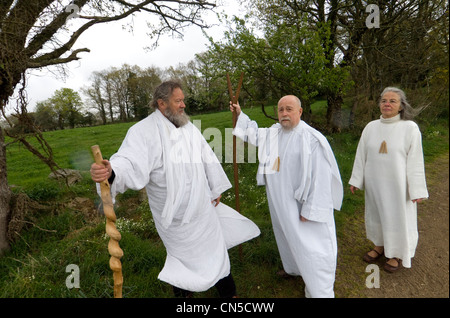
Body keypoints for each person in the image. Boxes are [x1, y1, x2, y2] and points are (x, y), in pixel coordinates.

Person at [90, 80, 260, 297]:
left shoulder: (187, 126)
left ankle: (229, 295)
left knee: (215, 252)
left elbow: (206, 156)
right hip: (175, 218)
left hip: (202, 208)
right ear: (161, 103)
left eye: (183, 101)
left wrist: (215, 188)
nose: (183, 106)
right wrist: (111, 173)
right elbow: (129, 161)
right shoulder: (143, 132)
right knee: (182, 260)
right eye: (178, 101)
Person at [230, 95, 343, 298]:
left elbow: (322, 180)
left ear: (300, 112)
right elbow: (254, 134)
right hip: (280, 202)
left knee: (313, 246)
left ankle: (320, 290)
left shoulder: (312, 139)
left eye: (289, 109)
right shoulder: (275, 133)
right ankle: (294, 268)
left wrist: (311, 210)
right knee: (285, 235)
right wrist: (240, 114)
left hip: (303, 207)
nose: (283, 114)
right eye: (280, 110)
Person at [349, 87, 428, 273]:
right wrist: (356, 179)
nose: (387, 104)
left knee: (396, 217)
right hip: (375, 184)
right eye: (384, 100)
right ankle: (380, 245)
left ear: (401, 106)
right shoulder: (371, 127)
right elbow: (361, 155)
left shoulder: (409, 128)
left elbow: (416, 161)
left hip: (398, 187)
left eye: (392, 101)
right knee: (376, 215)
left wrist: (416, 189)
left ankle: (397, 254)